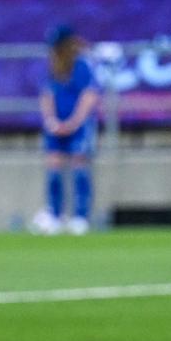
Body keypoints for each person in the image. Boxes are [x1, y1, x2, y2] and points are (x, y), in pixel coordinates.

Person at [35, 25, 100, 235]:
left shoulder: (82, 66)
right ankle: (55, 215)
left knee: (80, 165)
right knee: (53, 167)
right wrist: (51, 121)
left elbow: (89, 96)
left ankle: (80, 217)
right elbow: (47, 96)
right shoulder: (52, 67)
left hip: (78, 126)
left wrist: (74, 122)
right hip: (56, 126)